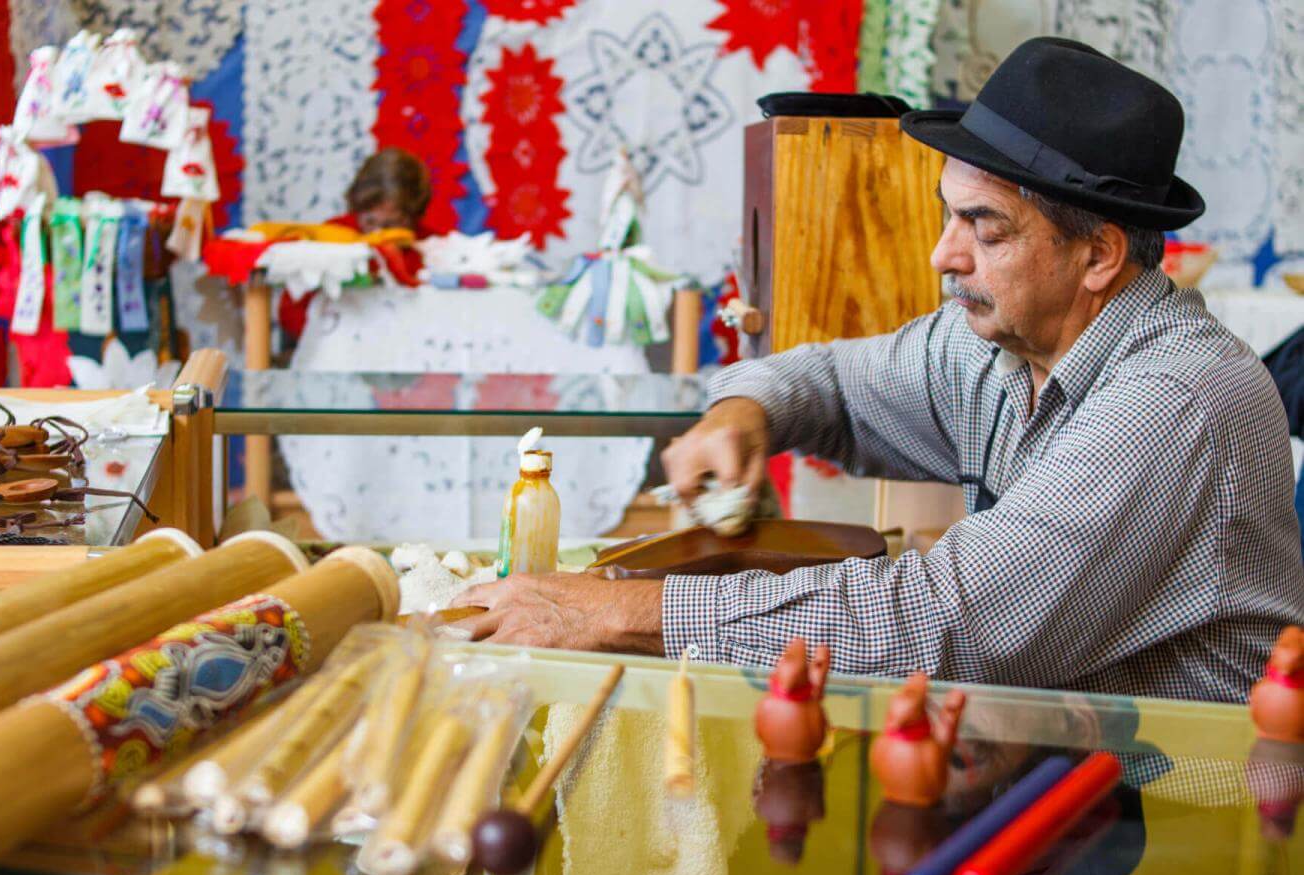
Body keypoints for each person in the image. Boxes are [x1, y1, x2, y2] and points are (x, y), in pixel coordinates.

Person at [457, 37, 1304, 703]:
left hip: (1188, 808)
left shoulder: (1175, 399)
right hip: (1062, 767)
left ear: (1098, 254)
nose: (945, 254)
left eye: (988, 229)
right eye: (948, 217)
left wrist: (611, 611)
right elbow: (825, 378)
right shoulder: (999, 348)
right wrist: (743, 413)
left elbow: (947, 622)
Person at [278, 147, 432, 340]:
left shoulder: (432, 247)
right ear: (356, 209)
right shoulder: (331, 238)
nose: (379, 233)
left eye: (391, 225)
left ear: (415, 218)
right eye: (369, 222)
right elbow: (291, 310)